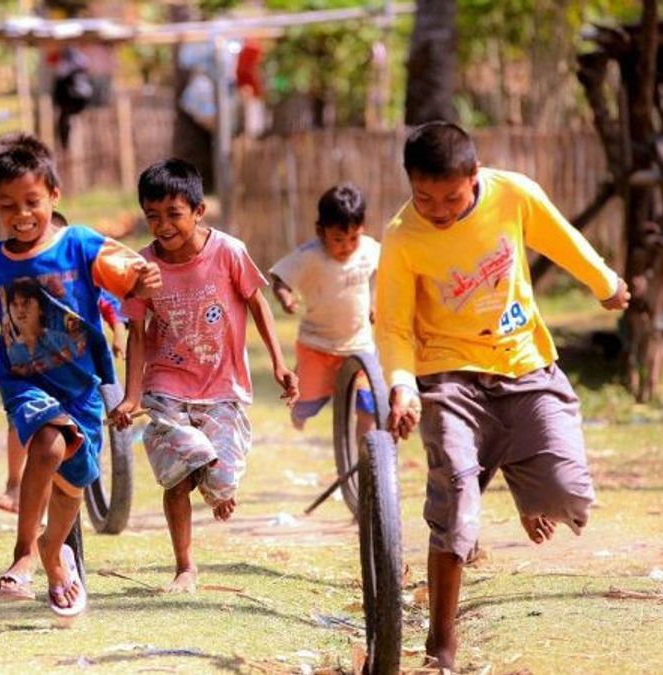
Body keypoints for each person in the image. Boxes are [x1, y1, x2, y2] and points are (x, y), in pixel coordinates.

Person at [374, 122, 630, 670]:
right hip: (448, 373)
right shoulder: (402, 237)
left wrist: (605, 283)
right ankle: (442, 643)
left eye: (450, 197)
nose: (437, 210)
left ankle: (525, 479)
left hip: (523, 361)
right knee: (456, 508)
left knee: (568, 498)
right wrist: (401, 386)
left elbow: (562, 239)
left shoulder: (513, 193)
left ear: (475, 176)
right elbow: (393, 326)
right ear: (410, 185)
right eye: (424, 198)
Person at [0, 133, 160, 615]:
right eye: (8, 206)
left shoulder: (80, 244)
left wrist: (144, 279)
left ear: (54, 196)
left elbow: (131, 274)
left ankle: (51, 549)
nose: (21, 215)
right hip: (24, 380)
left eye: (32, 202)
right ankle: (24, 553)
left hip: (81, 385)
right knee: (47, 443)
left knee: (73, 484)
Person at [111, 158, 298, 593]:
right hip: (167, 383)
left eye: (173, 214)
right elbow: (136, 333)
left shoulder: (228, 252)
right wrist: (132, 395)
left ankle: (218, 487)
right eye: (152, 216)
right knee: (183, 469)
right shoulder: (143, 268)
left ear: (198, 211)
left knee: (221, 477)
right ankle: (185, 566)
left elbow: (258, 303)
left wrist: (278, 362)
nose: (162, 226)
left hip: (223, 385)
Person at [0, 213, 131, 515]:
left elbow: (113, 308)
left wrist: (119, 335)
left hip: (75, 370)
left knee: (73, 446)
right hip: (31, 370)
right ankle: (14, 483)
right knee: (19, 422)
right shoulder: (18, 278)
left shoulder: (82, 266)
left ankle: (63, 487)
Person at [269, 183, 380, 431]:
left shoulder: (369, 249)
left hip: (359, 344)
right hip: (317, 345)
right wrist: (285, 297)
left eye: (353, 238)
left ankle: (367, 459)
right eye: (338, 239)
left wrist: (376, 301)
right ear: (320, 231)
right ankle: (300, 412)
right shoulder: (310, 256)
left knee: (368, 406)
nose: (347, 246)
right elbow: (280, 278)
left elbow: (386, 272)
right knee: (308, 403)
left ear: (362, 229)